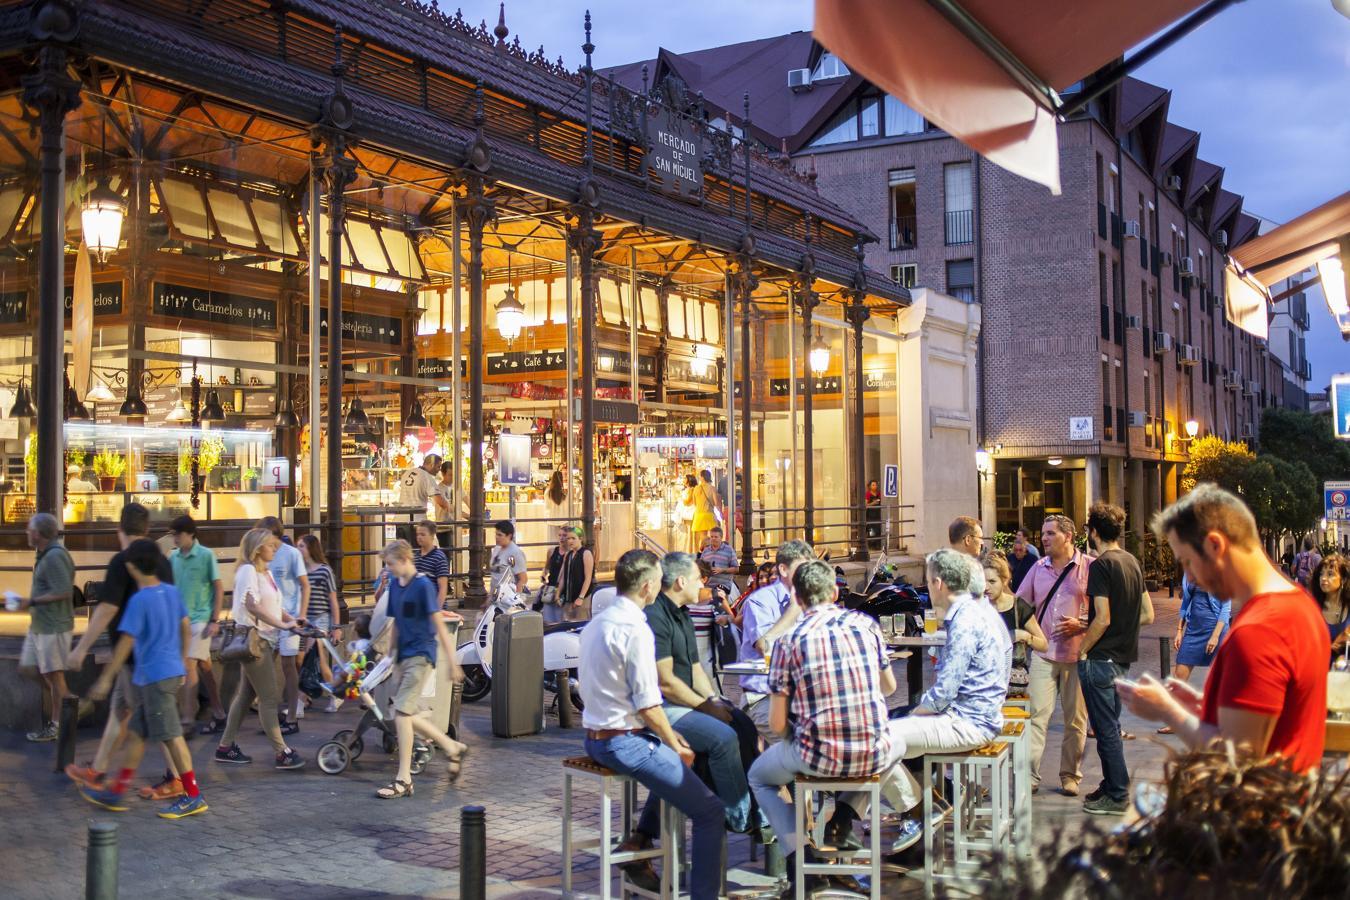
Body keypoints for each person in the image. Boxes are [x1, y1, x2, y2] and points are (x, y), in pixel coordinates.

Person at [1118, 485, 1330, 772]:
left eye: (1188, 562)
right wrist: (1210, 706)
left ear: (1215, 545)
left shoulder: (1258, 631)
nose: (1190, 579)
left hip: (1261, 814)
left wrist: (1167, 711)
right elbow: (1278, 715)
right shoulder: (1299, 602)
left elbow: (1237, 758)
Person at [578, 549, 725, 900]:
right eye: (658, 582)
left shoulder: (596, 621)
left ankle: (641, 837)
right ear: (646, 587)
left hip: (595, 736)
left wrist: (668, 738)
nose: (661, 588)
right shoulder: (636, 630)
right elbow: (648, 703)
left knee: (674, 756)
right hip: (623, 741)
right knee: (710, 812)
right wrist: (673, 742)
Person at [747, 559, 897, 894]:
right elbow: (889, 688)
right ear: (834, 592)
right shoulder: (866, 626)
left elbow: (776, 721)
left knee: (759, 777)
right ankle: (842, 817)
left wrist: (793, 738)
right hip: (872, 752)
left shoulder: (788, 642)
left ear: (797, 599)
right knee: (895, 740)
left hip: (816, 755)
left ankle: (800, 859)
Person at [614, 552, 754, 891]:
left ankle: (643, 837)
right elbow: (665, 682)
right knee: (721, 739)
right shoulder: (655, 616)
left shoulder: (683, 615)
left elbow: (694, 671)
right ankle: (740, 813)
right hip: (658, 709)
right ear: (680, 582)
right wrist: (707, 709)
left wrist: (716, 701)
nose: (702, 584)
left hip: (682, 703)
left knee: (742, 725)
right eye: (697, 578)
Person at [865, 550, 1012, 854]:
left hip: (968, 722)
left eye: (928, 581)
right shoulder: (981, 611)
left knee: (875, 739)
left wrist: (917, 712)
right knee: (894, 729)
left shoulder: (965, 619)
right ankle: (927, 803)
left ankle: (919, 809)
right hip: (980, 714)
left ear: (938, 583)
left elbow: (944, 691)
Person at [80, 540, 207, 819]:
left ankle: (194, 795)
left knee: (173, 737)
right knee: (137, 734)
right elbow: (185, 627)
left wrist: (105, 679)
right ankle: (117, 791)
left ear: (131, 566)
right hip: (168, 672)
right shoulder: (171, 593)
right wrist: (184, 660)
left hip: (154, 677)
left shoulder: (140, 599)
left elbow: (126, 643)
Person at [66, 503, 179, 798]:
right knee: (123, 711)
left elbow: (106, 609)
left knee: (155, 720)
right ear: (147, 529)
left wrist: (81, 648)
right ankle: (99, 772)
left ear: (120, 529)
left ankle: (176, 779)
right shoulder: (161, 560)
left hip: (135, 657)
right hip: (153, 653)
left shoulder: (122, 561)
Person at [1075, 503, 1153, 816]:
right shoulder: (1132, 562)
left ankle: (1118, 793)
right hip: (1122, 660)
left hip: (1101, 660)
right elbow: (1147, 614)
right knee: (1110, 726)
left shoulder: (1101, 566)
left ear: (1093, 532)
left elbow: (1102, 617)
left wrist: (1083, 648)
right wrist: (1124, 626)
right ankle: (1110, 785)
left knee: (1106, 730)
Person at [374, 540, 468, 799]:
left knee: (402, 714)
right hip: (404, 656)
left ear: (404, 560)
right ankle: (452, 747)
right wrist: (390, 657)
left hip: (421, 655)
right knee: (406, 714)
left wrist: (452, 662)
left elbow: (438, 624)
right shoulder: (395, 585)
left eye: (391, 564)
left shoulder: (424, 586)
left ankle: (403, 779)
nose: (389, 569)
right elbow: (395, 623)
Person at [213, 527, 305, 770]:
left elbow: (274, 606)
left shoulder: (265, 573)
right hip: (256, 641)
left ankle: (225, 746)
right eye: (269, 545)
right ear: (256, 549)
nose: (274, 549)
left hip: (267, 638)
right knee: (269, 698)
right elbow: (252, 605)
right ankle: (281, 751)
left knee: (245, 696)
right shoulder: (247, 571)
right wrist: (281, 624)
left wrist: (291, 620)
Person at [1015, 513, 1091, 796]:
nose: (1044, 538)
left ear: (1068, 536)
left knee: (1075, 721)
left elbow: (1101, 612)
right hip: (1044, 656)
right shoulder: (1037, 568)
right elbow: (1021, 606)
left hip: (1078, 655)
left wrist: (1081, 624)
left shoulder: (1089, 568)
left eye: (1050, 533)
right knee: (1036, 717)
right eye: (1044, 533)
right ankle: (1031, 777)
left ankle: (1070, 775)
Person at [736, 540, 815, 743]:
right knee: (800, 745)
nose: (808, 573)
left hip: (801, 696)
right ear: (783, 569)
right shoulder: (760, 601)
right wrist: (794, 610)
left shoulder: (811, 598)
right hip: (763, 696)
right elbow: (765, 646)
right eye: (802, 567)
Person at [16, 513, 76, 743]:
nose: (26, 533)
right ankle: (69, 702)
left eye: (29, 529)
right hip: (41, 624)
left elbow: (64, 591)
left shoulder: (54, 557)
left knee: (54, 675)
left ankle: (59, 721)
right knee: (31, 668)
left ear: (38, 533)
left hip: (54, 625)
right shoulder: (44, 554)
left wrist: (32, 601)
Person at [167, 516, 227, 736]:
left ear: (190, 534)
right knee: (204, 667)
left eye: (177, 534)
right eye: (173, 534)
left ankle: (187, 719)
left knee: (189, 665)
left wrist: (214, 619)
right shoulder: (172, 557)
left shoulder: (206, 555)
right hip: (179, 620)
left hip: (200, 619)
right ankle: (219, 711)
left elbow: (218, 587)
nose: (174, 538)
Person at [1157, 574, 1230, 734]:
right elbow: (1186, 603)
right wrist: (1179, 631)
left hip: (1215, 630)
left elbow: (1226, 608)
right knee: (1179, 674)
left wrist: (1216, 636)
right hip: (1193, 631)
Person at [258, 517, 309, 730]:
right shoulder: (263, 554)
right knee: (265, 665)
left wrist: (302, 614)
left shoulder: (291, 554)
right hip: (270, 617)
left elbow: (305, 585)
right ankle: (272, 716)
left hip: (290, 615)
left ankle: (292, 716)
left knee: (288, 666)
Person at [983, 553, 1047, 696]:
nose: (986, 587)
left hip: (1013, 684)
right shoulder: (978, 608)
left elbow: (1043, 645)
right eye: (983, 581)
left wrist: (1025, 636)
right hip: (984, 682)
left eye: (992, 582)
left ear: (1005, 581)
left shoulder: (1018, 607)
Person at [297, 534, 343, 711]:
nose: (298, 549)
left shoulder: (324, 570)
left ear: (310, 549)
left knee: (312, 658)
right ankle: (334, 693)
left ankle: (300, 704)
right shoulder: (300, 571)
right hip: (304, 620)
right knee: (310, 660)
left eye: (301, 546)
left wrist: (336, 626)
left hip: (320, 619)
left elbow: (333, 600)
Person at [1311, 553, 1350, 655]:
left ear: (1343, 579)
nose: (1323, 578)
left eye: (1330, 574)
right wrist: (1334, 647)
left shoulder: (1348, 606)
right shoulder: (1313, 609)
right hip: (1322, 668)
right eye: (1321, 574)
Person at [558, 526, 595, 621]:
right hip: (568, 598)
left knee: (580, 625)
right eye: (568, 538)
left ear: (580, 539)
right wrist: (558, 593)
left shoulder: (586, 553)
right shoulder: (568, 554)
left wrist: (581, 597)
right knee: (567, 625)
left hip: (582, 598)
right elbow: (564, 577)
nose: (570, 541)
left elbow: (588, 578)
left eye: (573, 538)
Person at [399, 452, 450, 520]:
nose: (439, 470)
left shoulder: (407, 473)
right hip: (416, 520)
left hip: (400, 518)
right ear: (432, 465)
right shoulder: (427, 477)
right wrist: (456, 512)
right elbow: (440, 502)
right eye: (438, 466)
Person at [413, 520, 450, 610]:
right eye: (418, 534)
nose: (419, 537)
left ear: (432, 536)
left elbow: (443, 587)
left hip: (433, 607)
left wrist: (436, 610)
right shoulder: (415, 556)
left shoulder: (439, 557)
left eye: (423, 534)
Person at [490, 520, 529, 599]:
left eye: (500, 535)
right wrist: (489, 598)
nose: (496, 537)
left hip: (508, 598)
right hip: (496, 596)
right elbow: (494, 577)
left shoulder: (514, 553)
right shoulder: (496, 549)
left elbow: (523, 578)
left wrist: (515, 598)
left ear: (509, 536)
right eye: (496, 534)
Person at [538, 525, 569, 625]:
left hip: (563, 590)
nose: (561, 538)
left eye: (564, 535)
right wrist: (543, 574)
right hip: (550, 588)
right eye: (559, 535)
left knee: (561, 619)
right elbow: (547, 567)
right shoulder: (552, 551)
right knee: (548, 619)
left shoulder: (571, 553)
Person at [698, 526, 738, 600]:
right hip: (707, 585)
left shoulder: (729, 550)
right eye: (711, 537)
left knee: (717, 597)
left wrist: (722, 570)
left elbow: (736, 569)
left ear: (721, 537)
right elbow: (701, 568)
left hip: (723, 585)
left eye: (716, 537)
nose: (713, 539)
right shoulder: (706, 551)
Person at [690, 469, 722, 552]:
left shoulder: (696, 488)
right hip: (709, 514)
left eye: (700, 476)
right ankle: (712, 551)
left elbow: (694, 503)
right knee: (714, 536)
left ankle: (704, 552)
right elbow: (715, 503)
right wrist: (720, 512)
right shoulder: (712, 488)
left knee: (703, 537)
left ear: (702, 477)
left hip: (699, 515)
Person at [1007, 528, 1040, 592]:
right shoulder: (1011, 557)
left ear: (1025, 550)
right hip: (1014, 590)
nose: (1018, 552)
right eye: (1016, 550)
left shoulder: (1033, 557)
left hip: (1028, 591)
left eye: (1020, 550)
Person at [865, 478, 882, 549]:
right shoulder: (868, 494)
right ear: (870, 486)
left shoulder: (879, 494)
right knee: (871, 530)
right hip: (870, 514)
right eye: (873, 485)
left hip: (878, 514)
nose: (875, 486)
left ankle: (877, 545)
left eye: (875, 485)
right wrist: (873, 503)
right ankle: (871, 545)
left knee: (878, 530)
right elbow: (866, 505)